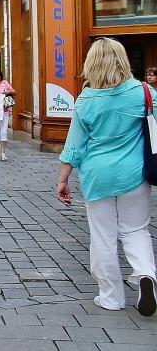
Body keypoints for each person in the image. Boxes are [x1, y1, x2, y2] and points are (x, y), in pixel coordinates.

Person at [56, 38, 157, 316]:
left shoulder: (86, 99)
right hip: (135, 174)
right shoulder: (144, 92)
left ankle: (111, 297)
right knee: (136, 229)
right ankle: (145, 274)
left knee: (103, 237)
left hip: (97, 176)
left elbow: (74, 145)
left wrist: (63, 179)